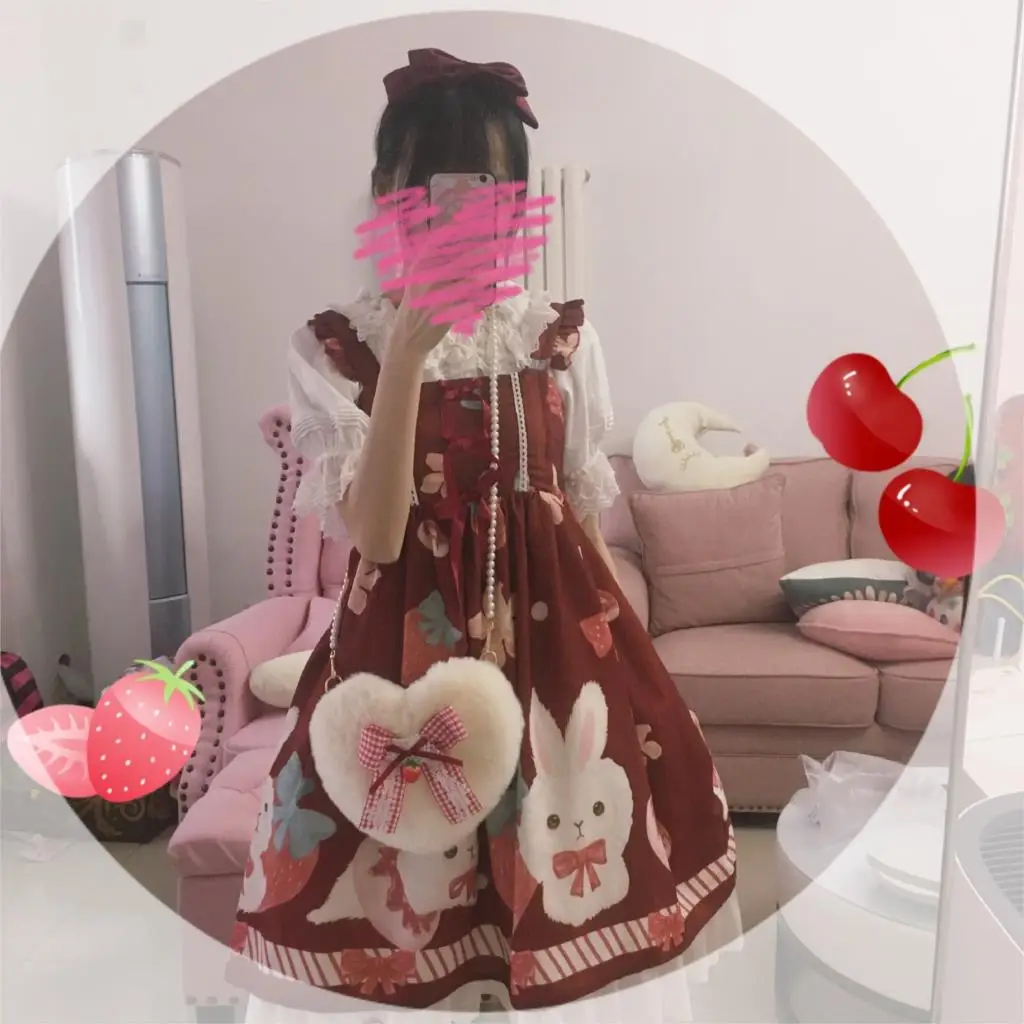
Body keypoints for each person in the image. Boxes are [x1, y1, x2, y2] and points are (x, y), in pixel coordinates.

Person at [231, 48, 740, 1019]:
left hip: (555, 649)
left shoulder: (559, 336)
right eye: (436, 191)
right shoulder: (336, 347)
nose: (465, 218)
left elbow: (578, 514)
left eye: (491, 194)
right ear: (387, 195)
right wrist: (406, 358)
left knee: (562, 865)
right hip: (398, 658)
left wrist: (623, 662)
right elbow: (378, 538)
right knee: (402, 875)